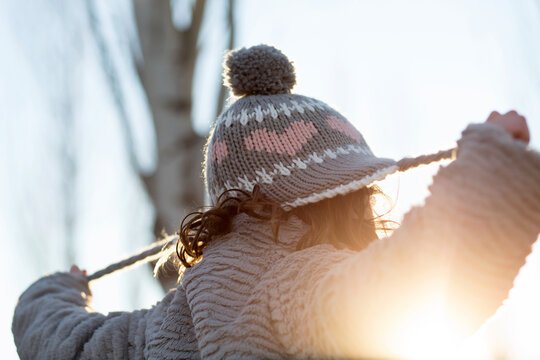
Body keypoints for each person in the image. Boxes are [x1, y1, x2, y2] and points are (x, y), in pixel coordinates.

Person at [12, 45, 540, 360]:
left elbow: (71, 345)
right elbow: (417, 281)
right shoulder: (299, 288)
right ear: (338, 201)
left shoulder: (160, 327)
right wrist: (490, 170)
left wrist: (53, 291)